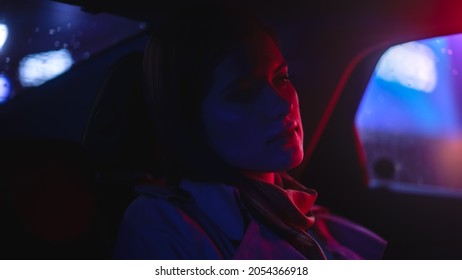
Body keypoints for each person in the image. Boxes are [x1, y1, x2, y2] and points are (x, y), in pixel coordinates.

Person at [113, 3, 387, 260]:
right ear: (189, 119)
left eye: (281, 78)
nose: (282, 103)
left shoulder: (299, 214)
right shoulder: (160, 225)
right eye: (244, 93)